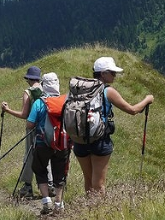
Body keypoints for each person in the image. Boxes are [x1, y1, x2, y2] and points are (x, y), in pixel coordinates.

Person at [73, 56, 154, 194]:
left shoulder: (81, 89)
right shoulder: (107, 91)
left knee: (88, 181)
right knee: (98, 184)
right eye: (112, 72)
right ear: (103, 73)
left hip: (79, 140)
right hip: (99, 141)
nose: (115, 75)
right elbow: (133, 110)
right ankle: (99, 213)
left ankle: (88, 211)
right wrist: (147, 99)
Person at [26, 72, 70, 215]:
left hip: (42, 143)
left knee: (39, 169)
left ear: (44, 86)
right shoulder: (66, 101)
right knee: (59, 173)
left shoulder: (39, 102)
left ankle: (46, 201)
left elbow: (30, 124)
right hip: (62, 143)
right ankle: (59, 203)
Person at [1, 65, 43, 198]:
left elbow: (24, 114)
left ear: (28, 79)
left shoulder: (28, 92)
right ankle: (49, 185)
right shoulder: (45, 90)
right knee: (44, 155)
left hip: (32, 128)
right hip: (45, 127)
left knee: (29, 155)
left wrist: (7, 110)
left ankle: (27, 186)